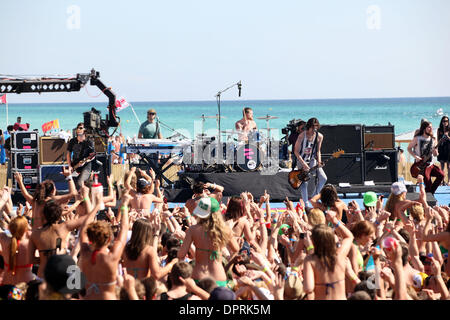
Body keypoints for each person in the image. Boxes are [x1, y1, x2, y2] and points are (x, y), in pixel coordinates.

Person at [177, 197, 239, 287]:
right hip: (219, 275)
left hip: (199, 275)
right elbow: (236, 250)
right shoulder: (225, 230)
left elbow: (181, 254)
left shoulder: (193, 229)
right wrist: (228, 265)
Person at [303, 209, 354, 300]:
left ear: (313, 241)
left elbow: (308, 288)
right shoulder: (340, 256)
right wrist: (334, 221)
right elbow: (349, 237)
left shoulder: (310, 260)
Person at [293, 117, 327, 208]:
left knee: (323, 178)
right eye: (312, 128)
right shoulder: (301, 136)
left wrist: (319, 161)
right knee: (304, 182)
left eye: (316, 128)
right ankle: (306, 204)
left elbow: (318, 151)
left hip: (312, 160)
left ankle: (314, 197)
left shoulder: (319, 136)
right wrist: (304, 164)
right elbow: (296, 151)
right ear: (308, 127)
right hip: (302, 160)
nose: (314, 131)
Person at [407, 120, 444, 194]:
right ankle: (429, 195)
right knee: (427, 182)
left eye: (431, 127)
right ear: (424, 128)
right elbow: (409, 148)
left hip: (430, 164)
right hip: (421, 165)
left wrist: (436, 153)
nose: (431, 129)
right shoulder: (417, 138)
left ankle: (430, 193)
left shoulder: (433, 139)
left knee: (441, 175)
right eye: (429, 127)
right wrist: (416, 157)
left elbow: (436, 154)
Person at [0, 216, 35, 285]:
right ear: (26, 229)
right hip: (26, 285)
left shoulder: (3, 239)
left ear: (10, 227)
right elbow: (37, 228)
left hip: (7, 284)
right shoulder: (30, 242)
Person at [66, 123, 95, 189]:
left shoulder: (89, 142)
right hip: (75, 165)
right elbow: (68, 153)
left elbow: (92, 156)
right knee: (72, 185)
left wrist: (85, 161)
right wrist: (70, 166)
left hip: (86, 166)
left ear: (85, 130)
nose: (79, 129)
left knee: (80, 183)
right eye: (78, 128)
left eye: (81, 128)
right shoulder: (72, 141)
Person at [437, 116, 450, 185]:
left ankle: (449, 181)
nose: (445, 122)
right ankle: (442, 180)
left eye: (447, 121)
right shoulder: (439, 130)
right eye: (444, 121)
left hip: (448, 148)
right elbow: (437, 140)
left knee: (449, 166)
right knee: (442, 165)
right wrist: (436, 147)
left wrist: (448, 137)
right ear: (442, 122)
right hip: (441, 148)